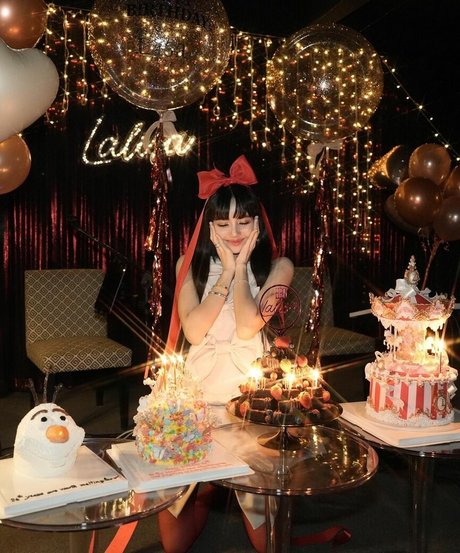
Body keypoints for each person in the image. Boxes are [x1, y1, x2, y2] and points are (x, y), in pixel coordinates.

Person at [159, 154, 293, 553]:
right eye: (223, 223)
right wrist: (227, 273)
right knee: (173, 545)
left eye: (243, 221)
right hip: (195, 403)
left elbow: (249, 324)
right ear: (209, 227)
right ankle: (209, 488)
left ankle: (229, 484)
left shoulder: (279, 266)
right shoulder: (187, 265)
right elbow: (194, 330)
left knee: (267, 544)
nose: (234, 232)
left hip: (249, 406)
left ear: (258, 223)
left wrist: (241, 269)